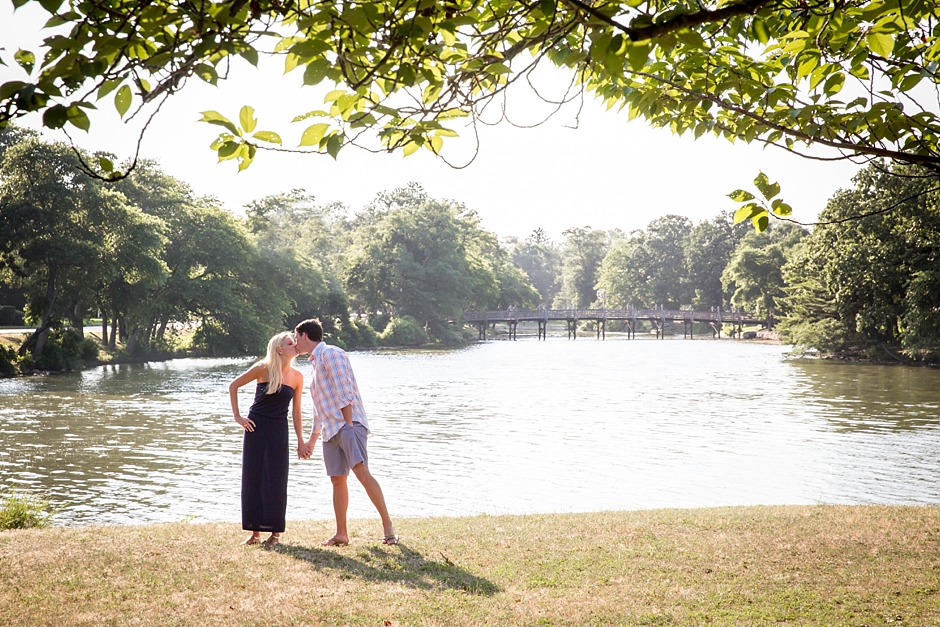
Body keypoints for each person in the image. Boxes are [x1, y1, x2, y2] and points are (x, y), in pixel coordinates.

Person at [293, 318, 398, 546]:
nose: (295, 343)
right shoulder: (314, 364)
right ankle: (342, 534)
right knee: (337, 481)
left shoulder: (330, 353)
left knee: (361, 472)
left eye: (296, 337)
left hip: (348, 424)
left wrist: (349, 425)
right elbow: (318, 409)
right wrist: (312, 439)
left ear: (304, 335)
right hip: (330, 431)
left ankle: (388, 525)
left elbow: (344, 389)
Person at [229, 331, 305, 546]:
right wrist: (238, 417)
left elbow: (296, 412)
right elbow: (233, 385)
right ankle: (254, 533)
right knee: (253, 477)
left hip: (279, 430)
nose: (295, 346)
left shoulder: (297, 377)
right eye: (291, 343)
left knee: (277, 479)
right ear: (279, 349)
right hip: (255, 428)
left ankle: (275, 534)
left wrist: (301, 441)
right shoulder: (263, 368)